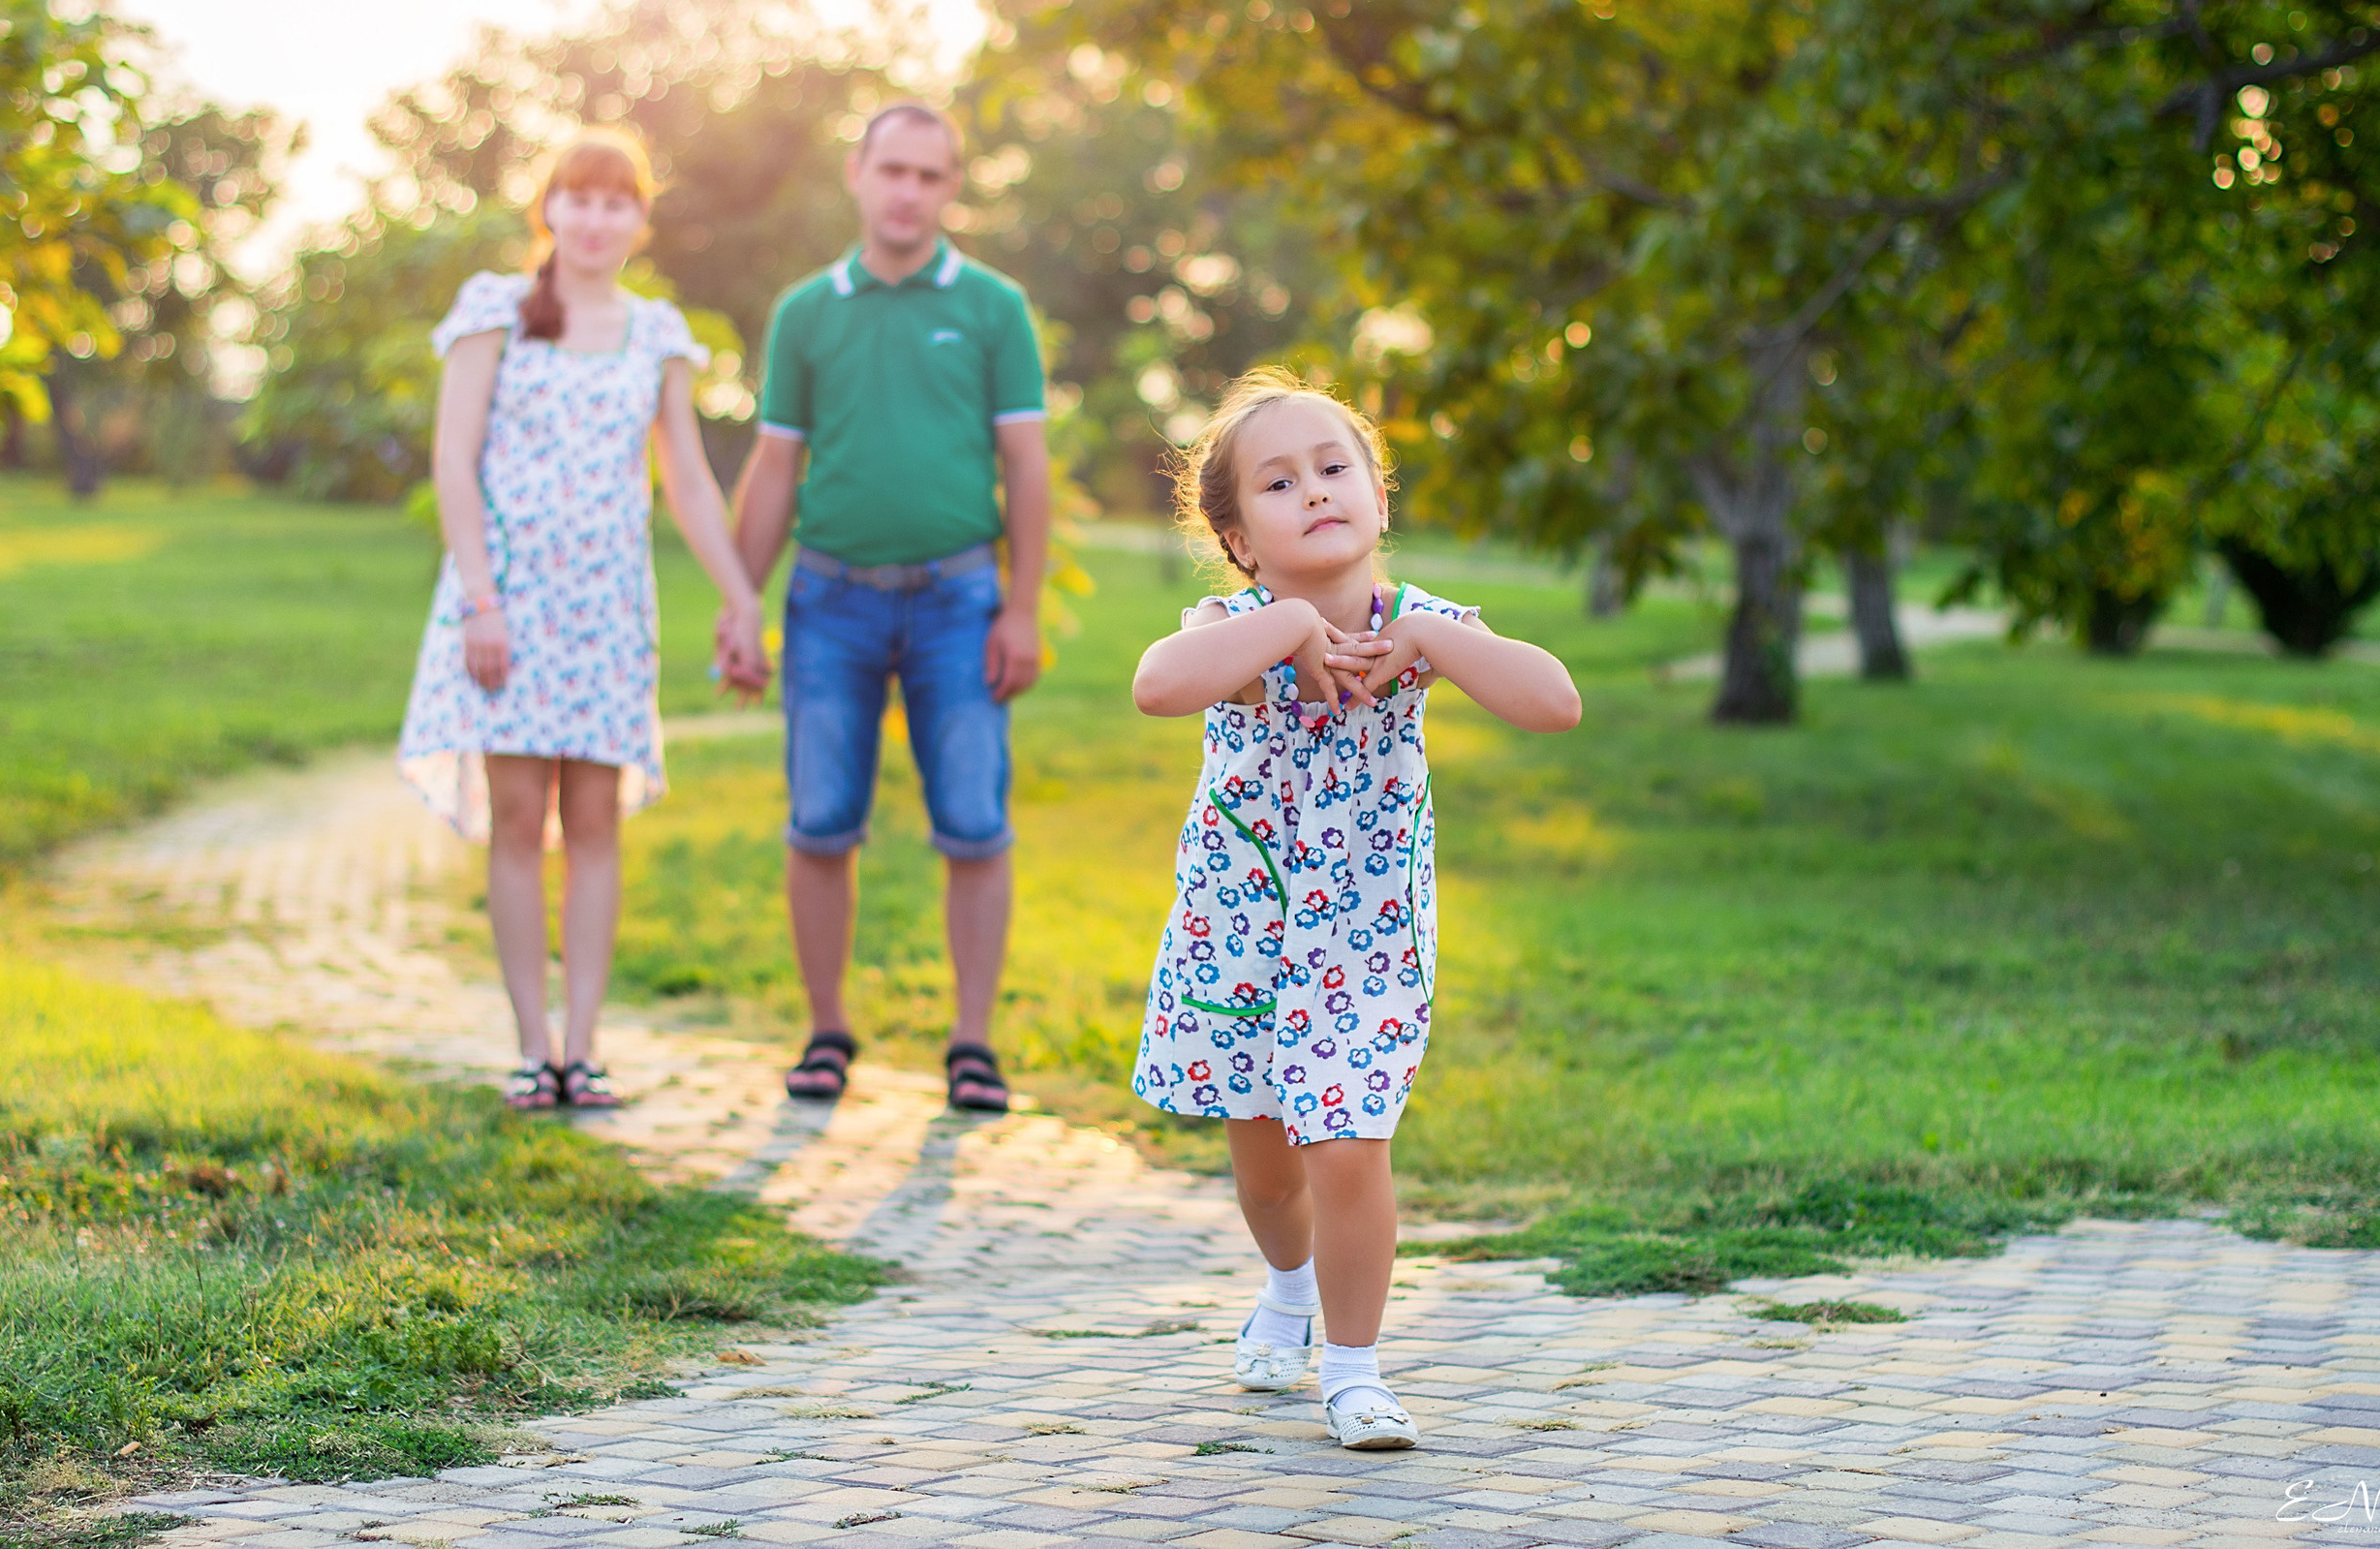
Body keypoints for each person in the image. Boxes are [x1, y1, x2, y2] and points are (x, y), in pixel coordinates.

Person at [1128, 369, 1581, 1451]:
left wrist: (1436, 645)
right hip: (1239, 935)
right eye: (1279, 484)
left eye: (1336, 469)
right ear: (1240, 540)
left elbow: (1554, 703)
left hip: (1366, 941)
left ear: (1379, 498)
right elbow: (1156, 684)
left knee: (1345, 1142)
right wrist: (1283, 626)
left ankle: (1356, 1368)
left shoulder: (1419, 627)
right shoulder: (1236, 625)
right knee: (1266, 1164)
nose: (1316, 492)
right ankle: (1284, 1288)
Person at [400, 128, 770, 1112]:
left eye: (619, 202)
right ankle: (531, 1047)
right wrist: (481, 598)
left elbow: (686, 479)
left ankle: (585, 1046)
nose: (598, 218)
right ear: (550, 209)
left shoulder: (658, 334)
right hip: (507, 599)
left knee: (595, 819)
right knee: (519, 818)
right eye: (581, 197)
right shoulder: (495, 313)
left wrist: (739, 591)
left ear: (640, 220)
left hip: (608, 607)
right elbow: (453, 460)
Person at [731, 102, 1050, 1113]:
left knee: (972, 818)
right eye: (893, 170)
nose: (909, 191)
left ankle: (971, 1044)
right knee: (821, 820)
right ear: (857, 175)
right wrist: (742, 603)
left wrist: (1023, 608)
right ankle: (826, 1032)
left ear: (952, 188)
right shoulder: (806, 313)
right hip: (830, 601)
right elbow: (775, 464)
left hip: (961, 599)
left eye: (930, 175)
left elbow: (1025, 464)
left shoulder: (994, 307)